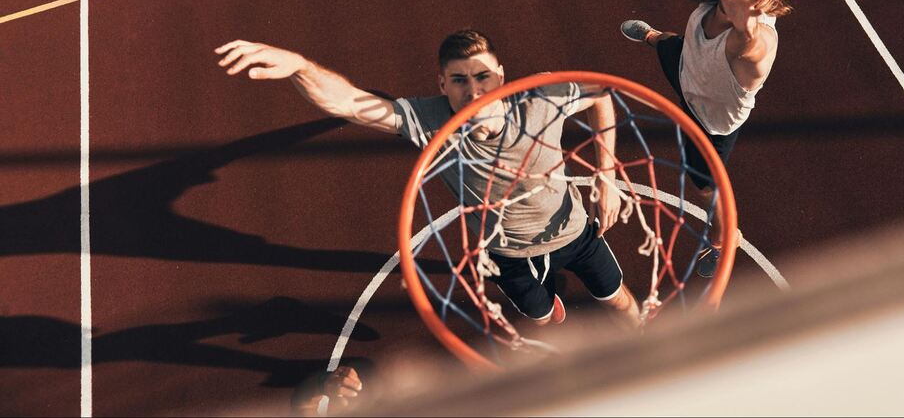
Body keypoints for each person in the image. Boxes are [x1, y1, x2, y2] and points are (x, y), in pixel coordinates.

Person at [215, 29, 640, 326]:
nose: (473, 91)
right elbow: (350, 103)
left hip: (574, 233)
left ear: (502, 76)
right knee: (542, 317)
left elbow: (599, 96)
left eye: (482, 77)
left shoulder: (542, 96)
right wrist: (298, 65)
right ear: (442, 84)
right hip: (504, 252)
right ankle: (549, 311)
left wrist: (607, 173)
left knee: (619, 301)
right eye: (459, 81)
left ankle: (642, 344)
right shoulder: (431, 120)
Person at [620, 0, 793, 277]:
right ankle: (654, 36)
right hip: (685, 64)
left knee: (705, 185)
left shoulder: (759, 40)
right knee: (667, 46)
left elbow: (750, 49)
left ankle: (722, 239)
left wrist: (746, 25)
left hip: (711, 119)